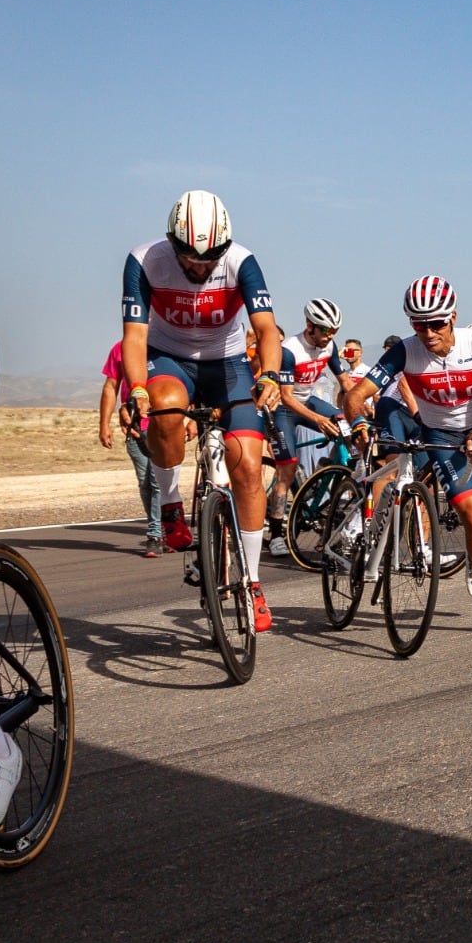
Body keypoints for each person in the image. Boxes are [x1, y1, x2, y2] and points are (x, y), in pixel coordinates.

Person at [121, 191, 284, 631]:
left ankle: (251, 581)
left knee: (249, 466)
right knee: (167, 408)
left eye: (210, 256)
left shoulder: (242, 261)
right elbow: (134, 337)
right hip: (168, 356)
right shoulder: (144, 259)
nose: (199, 265)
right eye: (188, 256)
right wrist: (137, 389)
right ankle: (171, 502)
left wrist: (268, 375)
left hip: (228, 363)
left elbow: (266, 329)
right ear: (171, 242)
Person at [344, 276, 472, 635]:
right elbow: (355, 396)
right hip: (440, 437)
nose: (428, 332)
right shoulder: (405, 352)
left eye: (436, 323)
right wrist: (359, 423)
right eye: (418, 324)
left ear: (452, 316)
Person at [269, 299, 356, 554]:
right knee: (287, 470)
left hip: (308, 401)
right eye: (326, 331)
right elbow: (285, 397)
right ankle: (275, 534)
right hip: (285, 407)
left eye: (335, 332)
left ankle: (323, 472)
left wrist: (360, 410)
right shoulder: (289, 350)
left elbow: (345, 383)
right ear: (309, 325)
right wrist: (318, 420)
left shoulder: (329, 346)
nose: (330, 337)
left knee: (346, 427)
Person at [100, 339, 182, 556]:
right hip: (134, 427)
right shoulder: (119, 349)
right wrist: (104, 424)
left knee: (157, 482)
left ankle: (156, 534)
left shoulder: (167, 346)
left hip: (161, 425)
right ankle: (163, 529)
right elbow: (111, 386)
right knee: (145, 483)